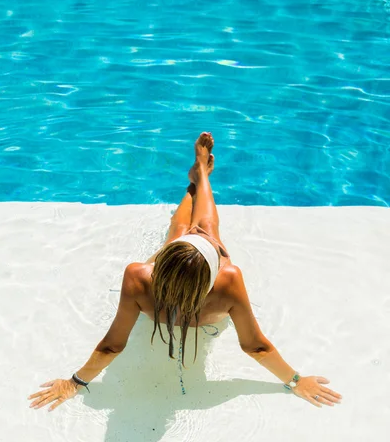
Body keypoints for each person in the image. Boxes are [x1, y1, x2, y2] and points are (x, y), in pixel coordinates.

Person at [28, 132, 342, 412]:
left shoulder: (138, 276)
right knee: (206, 227)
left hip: (161, 295)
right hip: (205, 302)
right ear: (212, 274)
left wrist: (74, 382)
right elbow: (255, 346)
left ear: (159, 264)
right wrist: (296, 381)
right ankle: (202, 175)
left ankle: (195, 181)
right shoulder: (228, 280)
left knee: (180, 231)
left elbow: (112, 345)